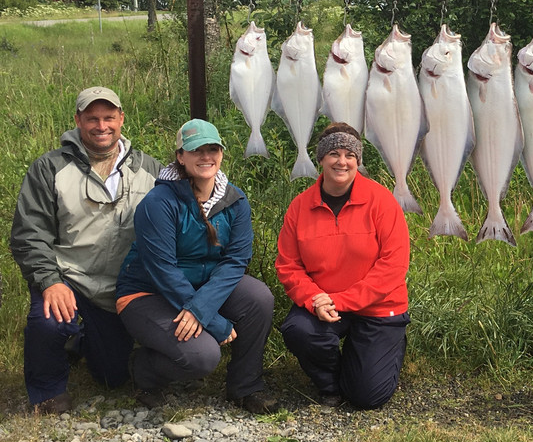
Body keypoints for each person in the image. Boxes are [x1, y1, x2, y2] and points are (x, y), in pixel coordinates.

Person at [10, 87, 161, 414]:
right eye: (92, 119)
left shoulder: (150, 169)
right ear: (78, 120)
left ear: (121, 119)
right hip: (69, 278)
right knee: (49, 320)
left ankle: (77, 342)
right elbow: (29, 233)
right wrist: (50, 281)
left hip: (119, 287)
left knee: (112, 377)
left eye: (109, 117)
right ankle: (48, 391)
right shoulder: (49, 168)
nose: (101, 126)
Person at [115, 119, 279, 413]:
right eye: (196, 150)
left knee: (259, 298)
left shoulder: (235, 200)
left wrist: (201, 308)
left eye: (213, 149)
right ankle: (143, 369)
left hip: (200, 289)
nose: (206, 156)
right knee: (203, 356)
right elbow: (163, 270)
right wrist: (211, 320)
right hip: (148, 294)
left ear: (221, 153)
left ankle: (246, 387)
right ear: (180, 156)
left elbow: (236, 261)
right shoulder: (158, 202)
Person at [275, 123, 411, 409]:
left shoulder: (382, 201)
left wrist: (341, 300)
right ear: (321, 159)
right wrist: (314, 299)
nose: (342, 161)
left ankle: (376, 355)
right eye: (334, 153)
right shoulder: (300, 207)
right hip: (324, 305)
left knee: (366, 397)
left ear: (358, 161)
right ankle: (331, 383)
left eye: (350, 155)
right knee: (299, 330)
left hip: (378, 308)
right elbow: (288, 266)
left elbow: (393, 265)